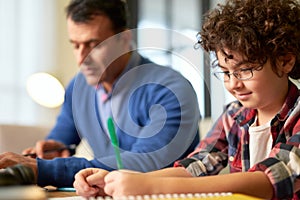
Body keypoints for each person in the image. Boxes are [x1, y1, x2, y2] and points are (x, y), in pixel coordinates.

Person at [73, 0, 300, 199]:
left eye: (245, 70)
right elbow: (196, 165)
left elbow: (267, 181)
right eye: (226, 73)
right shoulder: (234, 115)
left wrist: (151, 186)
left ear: (285, 61)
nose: (233, 84)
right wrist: (119, 181)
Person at [0, 0, 201, 187]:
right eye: (75, 45)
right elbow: (59, 141)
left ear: (124, 39)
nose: (81, 59)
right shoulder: (77, 89)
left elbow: (146, 163)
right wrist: (48, 155)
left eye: (93, 45)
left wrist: (46, 170)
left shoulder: (171, 89)